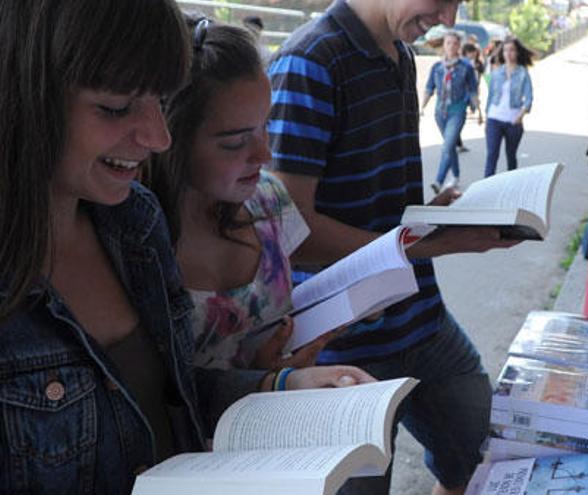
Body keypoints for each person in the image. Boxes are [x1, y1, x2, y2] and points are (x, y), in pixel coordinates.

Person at [0, 3, 368, 493]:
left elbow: (166, 393)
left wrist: (274, 387)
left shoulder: (135, 219)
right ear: (21, 93)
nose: (159, 137)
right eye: (116, 107)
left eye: (160, 99)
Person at [266, 1, 520, 493]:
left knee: (483, 455)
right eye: (442, 1)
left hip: (421, 319)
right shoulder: (309, 62)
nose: (448, 19)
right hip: (339, 346)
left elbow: (377, 200)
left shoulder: (399, 52)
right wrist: (425, 246)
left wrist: (434, 215)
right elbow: (287, 234)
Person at [147, 17, 369, 378]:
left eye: (265, 125)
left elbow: (282, 299)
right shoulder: (126, 239)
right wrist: (260, 381)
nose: (264, 155)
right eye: (235, 141)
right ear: (166, 137)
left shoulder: (269, 197)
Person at [421, 31, 479, 193]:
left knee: (447, 145)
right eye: (448, 43)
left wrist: (479, 111)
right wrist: (422, 107)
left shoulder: (466, 67)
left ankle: (438, 181)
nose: (451, 46)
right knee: (450, 145)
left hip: (458, 110)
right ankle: (456, 175)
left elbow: (473, 90)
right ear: (444, 46)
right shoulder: (437, 67)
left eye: (455, 43)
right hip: (440, 112)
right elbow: (429, 88)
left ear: (459, 46)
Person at [483, 36, 534, 177]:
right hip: (494, 119)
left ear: (517, 52)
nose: (508, 53)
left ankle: (511, 188)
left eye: (512, 50)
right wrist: (487, 117)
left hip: (513, 121)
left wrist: (521, 115)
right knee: (492, 155)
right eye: (505, 50)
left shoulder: (523, 73)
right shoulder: (496, 72)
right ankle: (485, 189)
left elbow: (529, 98)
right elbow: (491, 95)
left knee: (511, 156)